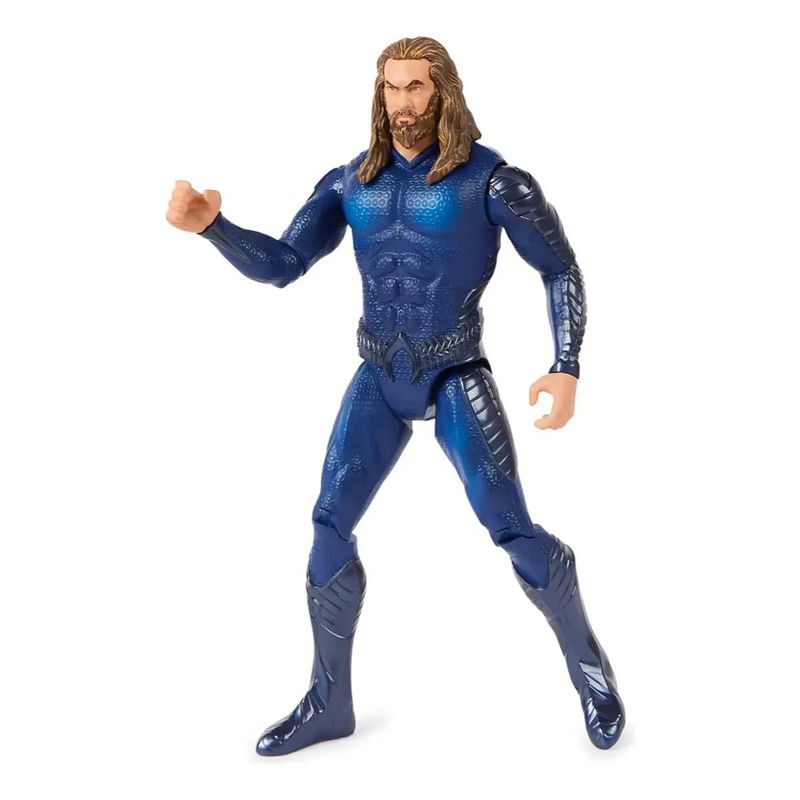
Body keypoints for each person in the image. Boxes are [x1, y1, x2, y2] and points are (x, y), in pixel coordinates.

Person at [166, 36, 625, 756]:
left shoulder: (493, 181)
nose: (403, 102)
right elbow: (283, 264)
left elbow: (560, 266)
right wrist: (213, 228)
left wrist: (566, 363)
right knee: (327, 525)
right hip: (379, 373)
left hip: (455, 373)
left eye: (416, 87)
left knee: (511, 529)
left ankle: (592, 674)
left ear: (443, 91)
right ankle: (329, 703)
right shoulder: (351, 183)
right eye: (391, 87)